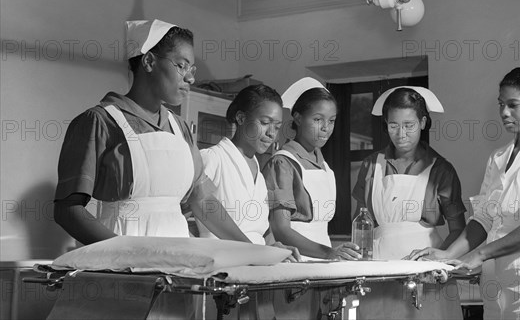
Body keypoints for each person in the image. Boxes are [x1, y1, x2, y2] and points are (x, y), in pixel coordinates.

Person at [410, 64, 520, 320]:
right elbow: (484, 219)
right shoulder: (498, 157)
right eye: (501, 104)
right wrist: (448, 255)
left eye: (514, 105)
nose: (504, 112)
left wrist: (478, 255)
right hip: (498, 288)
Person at [54, 19, 250, 244]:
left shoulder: (180, 129)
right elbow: (67, 210)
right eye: (181, 65)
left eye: (192, 69)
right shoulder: (100, 122)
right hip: (122, 261)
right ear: (148, 61)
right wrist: (123, 252)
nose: (191, 78)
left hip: (176, 258)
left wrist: (253, 250)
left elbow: (203, 201)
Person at [351, 86, 465, 319]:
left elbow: (458, 229)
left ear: (423, 122)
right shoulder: (372, 165)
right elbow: (360, 223)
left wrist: (437, 258)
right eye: (393, 126)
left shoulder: (441, 169)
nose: (401, 134)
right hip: (378, 269)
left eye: (409, 125)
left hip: (425, 271)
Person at [196, 84, 299, 258]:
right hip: (221, 261)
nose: (271, 134)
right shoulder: (212, 158)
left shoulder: (258, 172)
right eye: (265, 123)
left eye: (277, 126)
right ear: (241, 118)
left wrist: (275, 247)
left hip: (255, 262)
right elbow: (187, 211)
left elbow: (258, 230)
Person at [262, 77, 360, 260]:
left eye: (331, 121)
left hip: (325, 258)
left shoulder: (325, 168)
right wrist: (329, 253)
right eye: (317, 119)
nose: (326, 128)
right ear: (298, 118)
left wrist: (332, 253)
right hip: (295, 259)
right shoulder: (283, 163)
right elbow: (281, 229)